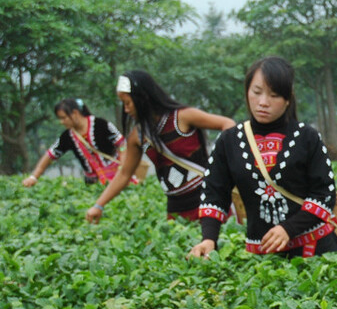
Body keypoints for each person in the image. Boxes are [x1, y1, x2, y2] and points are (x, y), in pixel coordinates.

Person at [188, 56, 337, 259]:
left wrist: (288, 228)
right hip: (262, 255)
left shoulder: (307, 137)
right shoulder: (229, 141)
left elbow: (324, 196)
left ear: (288, 99)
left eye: (274, 95)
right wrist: (209, 238)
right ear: (247, 92)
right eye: (257, 92)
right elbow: (214, 192)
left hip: (316, 251)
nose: (263, 102)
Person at [84, 70, 235, 224]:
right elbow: (124, 173)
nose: (126, 110)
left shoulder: (182, 117)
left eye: (128, 103)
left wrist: (221, 163)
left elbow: (228, 124)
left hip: (209, 200)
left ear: (142, 98)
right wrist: (99, 205)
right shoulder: (138, 136)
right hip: (176, 210)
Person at [22, 98, 145, 188]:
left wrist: (123, 170)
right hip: (93, 184)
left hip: (117, 178)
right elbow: (50, 155)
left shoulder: (101, 124)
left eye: (64, 118)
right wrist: (34, 177)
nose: (62, 122)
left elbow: (122, 145)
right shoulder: (67, 137)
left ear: (75, 113)